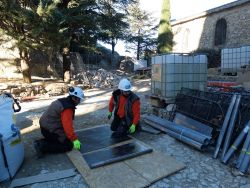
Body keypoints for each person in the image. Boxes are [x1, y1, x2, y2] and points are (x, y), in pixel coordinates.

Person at [34, 86, 84, 158]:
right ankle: (42, 146)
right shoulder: (67, 109)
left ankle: (47, 141)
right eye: (79, 99)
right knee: (68, 145)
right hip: (49, 130)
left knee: (66, 138)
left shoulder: (63, 101)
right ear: (74, 98)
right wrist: (74, 140)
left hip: (46, 126)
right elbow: (68, 127)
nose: (79, 102)